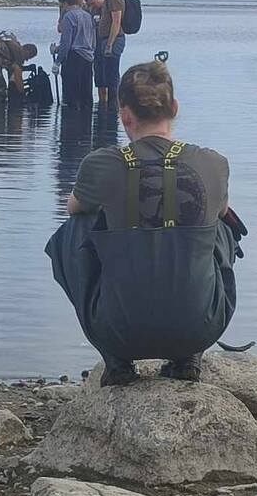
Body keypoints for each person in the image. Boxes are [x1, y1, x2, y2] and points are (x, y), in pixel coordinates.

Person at [45, 59, 242, 386]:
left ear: (124, 115)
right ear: (175, 107)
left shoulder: (101, 163)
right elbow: (221, 216)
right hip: (200, 327)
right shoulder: (213, 162)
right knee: (221, 225)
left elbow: (73, 208)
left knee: (74, 229)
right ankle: (187, 357)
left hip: (119, 331)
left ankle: (117, 362)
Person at [57, 0, 96, 109]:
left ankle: (72, 122)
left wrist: (58, 61)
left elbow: (66, 42)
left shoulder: (68, 17)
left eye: (61, 5)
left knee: (72, 92)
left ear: (65, 3)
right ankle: (86, 122)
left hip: (73, 57)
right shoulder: (88, 15)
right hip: (88, 56)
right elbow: (93, 38)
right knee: (86, 91)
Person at [93, 0, 126, 103]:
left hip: (113, 40)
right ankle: (107, 106)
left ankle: (113, 105)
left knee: (112, 76)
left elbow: (116, 21)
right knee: (106, 75)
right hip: (106, 39)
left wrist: (109, 44)